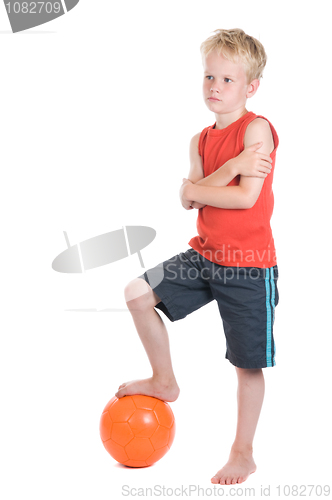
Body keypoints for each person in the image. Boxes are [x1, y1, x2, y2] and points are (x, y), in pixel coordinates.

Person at [115, 28, 279, 486]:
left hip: (248, 266)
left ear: (250, 87)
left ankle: (242, 453)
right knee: (136, 293)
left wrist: (199, 189)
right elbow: (189, 198)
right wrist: (222, 173)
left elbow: (244, 199)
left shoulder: (257, 129)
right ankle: (163, 379)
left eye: (227, 80)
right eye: (209, 76)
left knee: (247, 365)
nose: (215, 87)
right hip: (205, 255)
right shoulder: (200, 141)